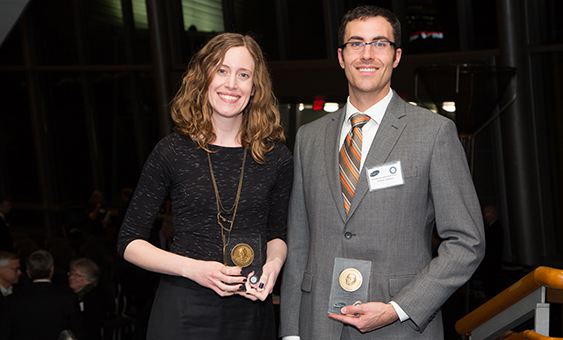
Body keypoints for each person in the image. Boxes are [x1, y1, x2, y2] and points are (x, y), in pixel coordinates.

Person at [279, 5, 485, 340]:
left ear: (397, 55)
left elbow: (466, 242)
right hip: (317, 325)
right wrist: (290, 331)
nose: (367, 54)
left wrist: (398, 308)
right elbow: (299, 240)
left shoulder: (433, 133)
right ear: (342, 56)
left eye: (379, 43)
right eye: (356, 43)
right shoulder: (309, 138)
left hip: (399, 327)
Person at [117, 32, 293, 340]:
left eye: (243, 75)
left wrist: (274, 265)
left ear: (254, 89)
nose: (231, 84)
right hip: (184, 307)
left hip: (251, 310)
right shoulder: (172, 151)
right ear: (204, 79)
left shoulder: (275, 156)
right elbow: (129, 243)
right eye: (222, 71)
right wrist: (194, 269)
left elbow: (278, 234)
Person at [0, 249, 86, 340]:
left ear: (28, 272)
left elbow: (4, 334)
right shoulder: (68, 299)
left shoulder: (12, 300)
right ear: (52, 269)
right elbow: (78, 334)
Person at [68, 258, 114, 340]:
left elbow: (90, 329)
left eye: (77, 275)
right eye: (71, 274)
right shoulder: (71, 295)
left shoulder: (93, 299)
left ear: (89, 280)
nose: (71, 277)